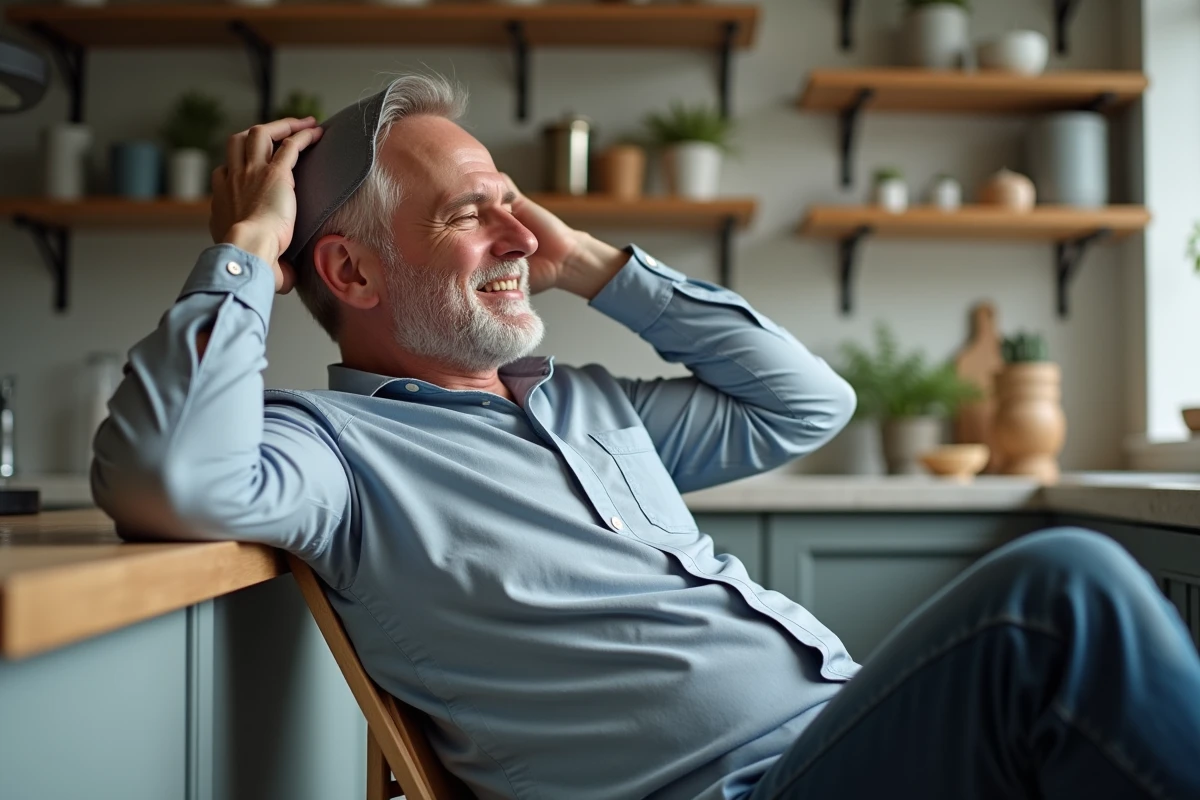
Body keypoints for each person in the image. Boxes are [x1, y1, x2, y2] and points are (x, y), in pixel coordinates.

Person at [92, 74, 1200, 800]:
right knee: (1062, 594)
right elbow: (170, 472)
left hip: (836, 739)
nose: (517, 228)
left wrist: (587, 261)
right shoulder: (335, 452)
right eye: (469, 210)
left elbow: (805, 402)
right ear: (349, 271)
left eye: (513, 198)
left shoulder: (586, 404)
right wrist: (246, 244)